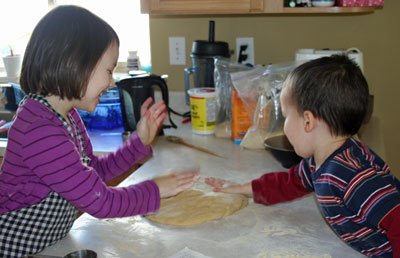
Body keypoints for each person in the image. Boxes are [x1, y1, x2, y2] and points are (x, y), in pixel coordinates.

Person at [0, 5, 199, 257]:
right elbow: (99, 201)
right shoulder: (40, 130)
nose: (112, 82)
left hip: (48, 246)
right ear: (75, 64)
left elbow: (95, 174)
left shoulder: (66, 117)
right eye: (108, 70)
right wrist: (155, 190)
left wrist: (139, 143)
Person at [206, 55, 400, 258]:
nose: (284, 126)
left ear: (308, 121)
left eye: (286, 116)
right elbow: (289, 183)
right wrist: (241, 189)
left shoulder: (351, 176)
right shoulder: (321, 162)